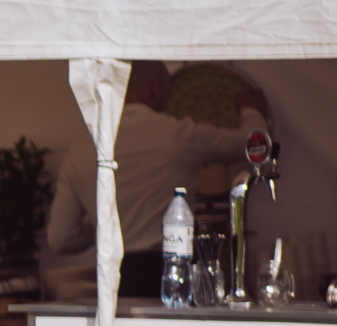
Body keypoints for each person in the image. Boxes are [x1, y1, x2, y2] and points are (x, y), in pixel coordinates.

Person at [45, 61, 270, 297]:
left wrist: (103, 224)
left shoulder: (79, 151)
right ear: (155, 87)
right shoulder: (178, 136)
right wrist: (251, 110)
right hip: (175, 271)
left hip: (114, 278)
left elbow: (61, 238)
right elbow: (253, 144)